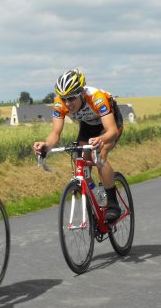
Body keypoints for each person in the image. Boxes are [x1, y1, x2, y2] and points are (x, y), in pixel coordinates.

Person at [33, 69, 123, 221]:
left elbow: (112, 130)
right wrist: (46, 145)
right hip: (88, 125)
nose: (68, 104)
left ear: (81, 93)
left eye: (72, 98)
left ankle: (113, 203)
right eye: (64, 99)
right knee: (80, 159)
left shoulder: (96, 98)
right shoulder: (60, 103)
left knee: (99, 155)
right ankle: (95, 193)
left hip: (109, 123)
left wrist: (102, 139)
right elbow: (55, 133)